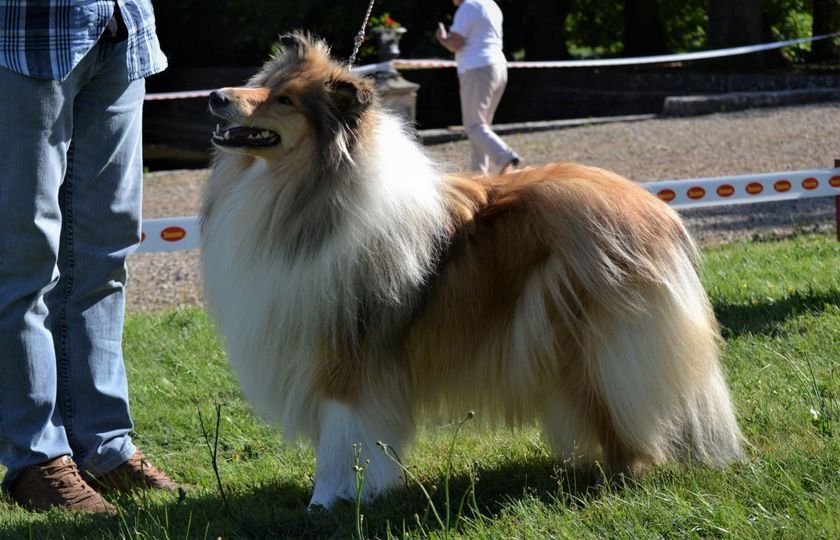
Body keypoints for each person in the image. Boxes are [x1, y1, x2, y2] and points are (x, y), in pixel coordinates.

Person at [0, 1, 177, 513]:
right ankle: (35, 458)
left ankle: (103, 446)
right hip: (21, 37)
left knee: (104, 255)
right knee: (22, 260)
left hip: (122, 30)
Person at [436, 0, 521, 175]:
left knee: (474, 126)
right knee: (482, 128)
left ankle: (506, 158)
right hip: (498, 66)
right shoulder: (492, 5)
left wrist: (442, 38)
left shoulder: (468, 7)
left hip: (476, 67)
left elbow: (455, 44)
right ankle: (478, 175)